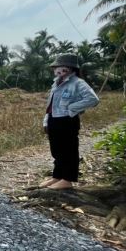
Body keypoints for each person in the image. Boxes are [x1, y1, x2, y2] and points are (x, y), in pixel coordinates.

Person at [40, 54, 99, 190]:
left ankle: (68, 179)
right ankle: (57, 176)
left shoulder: (78, 83)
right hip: (54, 119)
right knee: (57, 150)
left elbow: (93, 99)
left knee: (69, 150)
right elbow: (50, 104)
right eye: (57, 68)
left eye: (62, 68)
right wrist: (46, 120)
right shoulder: (56, 82)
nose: (59, 71)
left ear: (71, 69)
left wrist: (72, 108)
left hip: (68, 120)